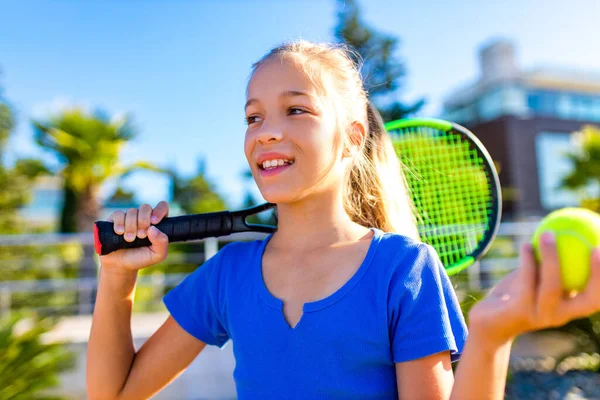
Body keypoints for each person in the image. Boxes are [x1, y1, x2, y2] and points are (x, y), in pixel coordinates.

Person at [86, 40, 600, 400]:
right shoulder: (228, 274)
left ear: (353, 138)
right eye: (253, 116)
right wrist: (118, 278)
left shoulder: (404, 270)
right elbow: (112, 393)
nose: (265, 132)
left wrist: (489, 336)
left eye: (296, 110)